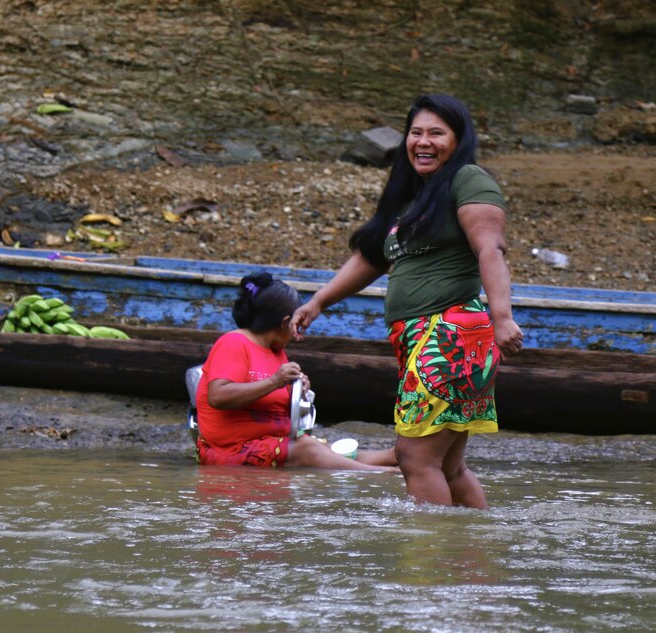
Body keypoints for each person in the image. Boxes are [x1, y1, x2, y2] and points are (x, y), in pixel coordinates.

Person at [290, 94, 523, 509]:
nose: (424, 142)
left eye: (437, 133)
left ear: (459, 139)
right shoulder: (411, 197)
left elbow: (491, 250)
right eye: (416, 132)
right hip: (423, 339)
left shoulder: (468, 180)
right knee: (446, 465)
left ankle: (431, 557)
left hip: (450, 333)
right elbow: (372, 257)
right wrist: (319, 302)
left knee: (415, 458)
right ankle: (472, 554)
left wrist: (501, 316)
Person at [195, 272, 398, 471]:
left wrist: (296, 390)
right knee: (309, 449)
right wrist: (276, 381)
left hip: (277, 442)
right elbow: (218, 396)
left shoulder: (276, 352)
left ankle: (393, 458)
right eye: (296, 324)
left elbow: (272, 400)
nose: (296, 333)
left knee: (324, 449)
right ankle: (383, 474)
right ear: (285, 323)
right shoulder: (234, 342)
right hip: (231, 449)